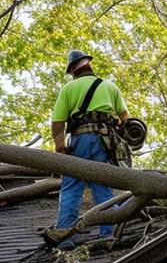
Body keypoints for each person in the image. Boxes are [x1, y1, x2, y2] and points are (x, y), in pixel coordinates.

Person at [44, 50, 129, 250]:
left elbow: (58, 123)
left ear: (73, 70)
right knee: (102, 185)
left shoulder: (69, 88)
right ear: (89, 66)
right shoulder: (110, 86)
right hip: (106, 142)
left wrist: (59, 144)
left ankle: (65, 234)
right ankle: (108, 232)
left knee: (72, 185)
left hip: (80, 139)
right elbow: (126, 119)